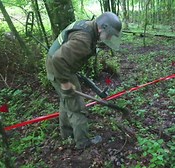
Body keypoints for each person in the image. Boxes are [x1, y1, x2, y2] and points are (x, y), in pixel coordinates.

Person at [45, 12, 122, 149]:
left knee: (67, 99)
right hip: (59, 68)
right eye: (109, 34)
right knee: (77, 106)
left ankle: (67, 134)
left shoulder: (89, 26)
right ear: (102, 28)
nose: (110, 37)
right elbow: (58, 59)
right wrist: (65, 82)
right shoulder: (83, 40)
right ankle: (83, 142)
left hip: (60, 66)